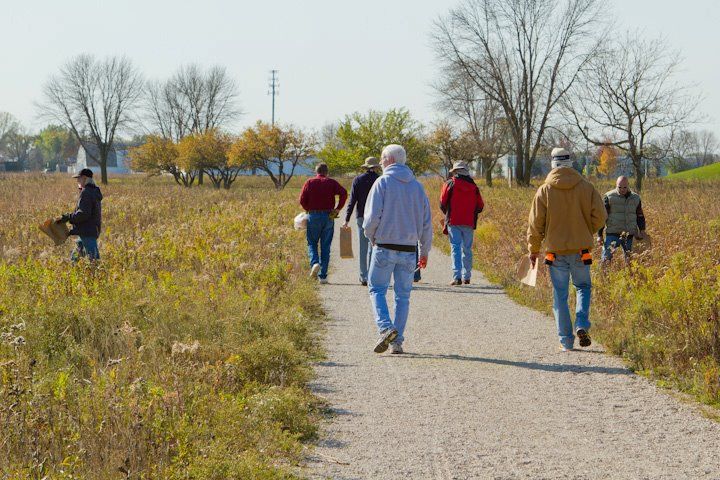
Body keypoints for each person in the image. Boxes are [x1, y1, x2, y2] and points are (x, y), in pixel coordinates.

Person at [527, 148, 607, 351]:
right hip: (582, 250)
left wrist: (533, 250)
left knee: (560, 295)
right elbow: (601, 216)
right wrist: (587, 229)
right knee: (583, 287)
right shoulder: (586, 187)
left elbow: (536, 224)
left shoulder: (544, 191)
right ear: (571, 162)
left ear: (552, 163)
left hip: (555, 252)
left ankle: (566, 341)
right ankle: (581, 324)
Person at [363, 144, 433, 354]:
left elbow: (371, 219)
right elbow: (426, 223)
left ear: (389, 160)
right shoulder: (418, 187)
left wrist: (371, 237)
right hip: (409, 250)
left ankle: (385, 327)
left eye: (382, 159)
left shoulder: (382, 182)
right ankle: (397, 342)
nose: (381, 163)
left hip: (384, 246)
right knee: (403, 296)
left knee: (376, 289)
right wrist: (424, 251)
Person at [299, 163, 348, 284]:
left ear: (316, 171)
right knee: (326, 246)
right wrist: (337, 209)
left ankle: (315, 262)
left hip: (313, 215)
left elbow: (302, 200)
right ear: (327, 172)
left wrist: (308, 209)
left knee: (312, 243)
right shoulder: (331, 182)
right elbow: (344, 193)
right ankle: (323, 276)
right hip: (328, 216)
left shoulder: (309, 182)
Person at [440, 161, 485, 285]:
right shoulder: (474, 186)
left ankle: (456, 277)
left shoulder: (450, 183)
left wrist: (448, 213)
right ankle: (467, 277)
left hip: (453, 221)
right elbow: (480, 206)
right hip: (469, 222)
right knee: (467, 249)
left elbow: (442, 203)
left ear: (455, 171)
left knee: (455, 248)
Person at [343, 157, 381, 286]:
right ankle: (371, 275)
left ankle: (363, 276)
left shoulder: (358, 180)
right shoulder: (380, 180)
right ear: (376, 167)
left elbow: (352, 201)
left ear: (365, 167)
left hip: (361, 216)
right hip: (377, 217)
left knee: (363, 247)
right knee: (373, 246)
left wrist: (347, 218)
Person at [597, 176, 647, 264]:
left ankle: (631, 277)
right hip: (613, 234)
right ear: (616, 185)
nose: (622, 189)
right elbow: (603, 217)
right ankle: (603, 276)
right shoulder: (609, 197)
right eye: (620, 187)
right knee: (606, 259)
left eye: (625, 187)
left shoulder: (636, 198)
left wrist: (642, 230)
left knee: (631, 262)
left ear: (628, 185)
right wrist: (599, 235)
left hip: (629, 235)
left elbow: (640, 216)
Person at [57, 168, 103, 261]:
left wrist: (68, 217)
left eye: (79, 178)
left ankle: (97, 274)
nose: (77, 180)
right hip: (89, 229)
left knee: (94, 260)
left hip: (87, 231)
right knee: (75, 257)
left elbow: (83, 214)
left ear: (85, 178)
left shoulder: (86, 192)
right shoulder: (94, 191)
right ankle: (73, 272)